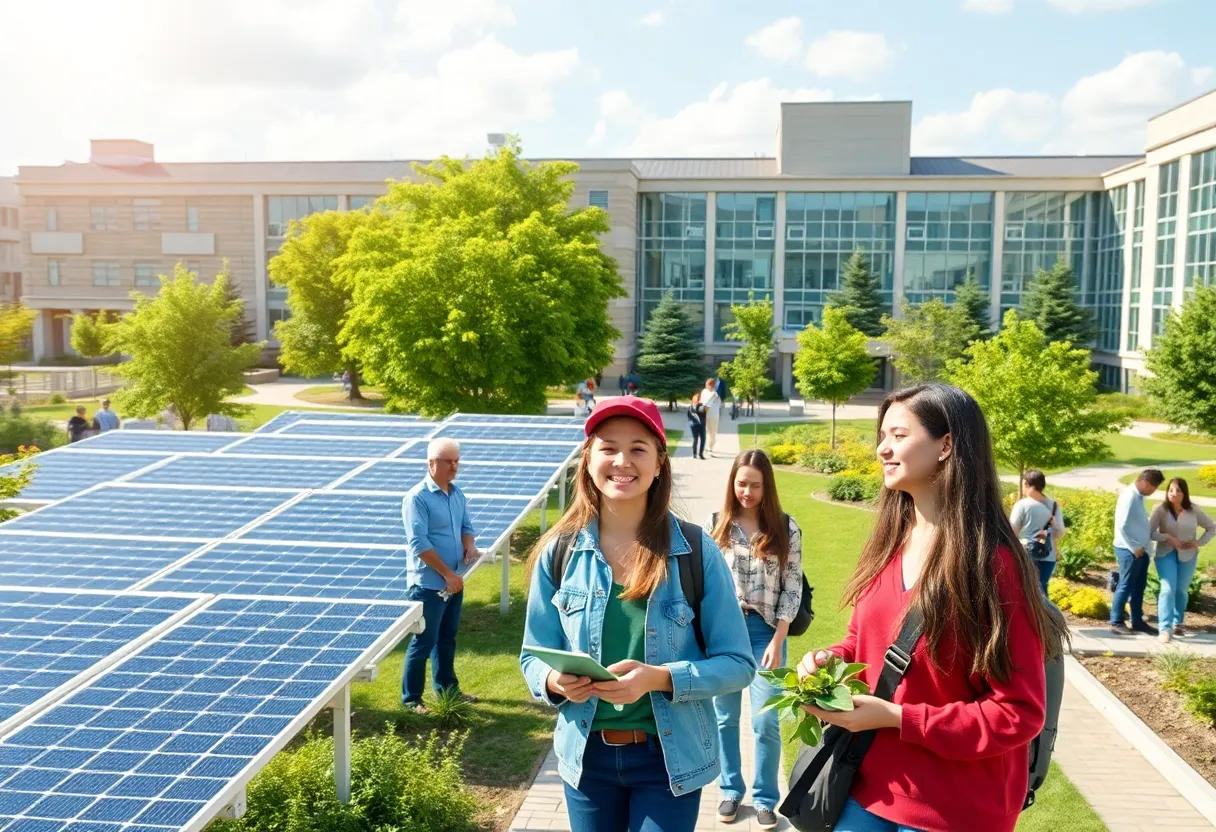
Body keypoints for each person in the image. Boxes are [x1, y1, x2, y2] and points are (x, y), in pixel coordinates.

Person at [794, 383, 1067, 832]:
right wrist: (830, 662)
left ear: (946, 445)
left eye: (898, 436)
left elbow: (1018, 711)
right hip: (869, 787)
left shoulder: (994, 565)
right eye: (882, 436)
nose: (882, 448)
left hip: (957, 808)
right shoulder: (890, 545)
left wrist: (899, 718)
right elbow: (863, 645)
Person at [520, 396, 755, 832]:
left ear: (660, 462)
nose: (622, 460)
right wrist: (554, 681)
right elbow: (533, 656)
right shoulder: (560, 551)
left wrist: (659, 678)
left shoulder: (695, 551)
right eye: (608, 447)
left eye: (638, 448)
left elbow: (738, 664)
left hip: (668, 762)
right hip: (585, 759)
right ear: (588, 458)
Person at [708, 449, 802, 830]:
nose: (747, 491)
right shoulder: (716, 526)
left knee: (766, 721)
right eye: (742, 483)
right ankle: (730, 791)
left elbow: (792, 587)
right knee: (724, 718)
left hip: (767, 633)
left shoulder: (785, 527)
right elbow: (707, 588)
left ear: (768, 487)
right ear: (733, 482)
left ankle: (765, 799)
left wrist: (779, 638)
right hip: (724, 636)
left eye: (755, 485)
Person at [401, 437, 480, 712]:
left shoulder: (456, 494)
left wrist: (469, 546)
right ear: (432, 463)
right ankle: (411, 700)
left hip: (454, 580)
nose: (455, 466)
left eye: (457, 461)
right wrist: (447, 573)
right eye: (449, 462)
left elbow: (466, 526)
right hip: (429, 584)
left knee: (447, 638)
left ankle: (448, 690)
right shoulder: (417, 498)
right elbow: (419, 544)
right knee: (424, 641)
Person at [1150, 477, 1215, 643]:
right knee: (1167, 589)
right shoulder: (1160, 509)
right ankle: (1164, 629)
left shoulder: (1194, 510)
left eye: (1178, 491)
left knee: (1180, 591)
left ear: (1184, 493)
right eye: (1171, 490)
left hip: (1188, 554)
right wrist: (1166, 537)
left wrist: (1199, 542)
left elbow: (1211, 527)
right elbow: (1149, 532)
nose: (1173, 493)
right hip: (1166, 553)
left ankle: (1178, 623)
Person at [1111, 468, 1165, 636]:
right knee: (1125, 585)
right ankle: (1116, 621)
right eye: (1153, 487)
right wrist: (1134, 546)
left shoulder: (1137, 497)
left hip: (1140, 550)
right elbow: (1122, 525)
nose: (1153, 491)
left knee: (1139, 586)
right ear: (1145, 482)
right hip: (1129, 550)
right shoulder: (1129, 496)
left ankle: (1137, 621)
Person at [1009, 469, 1065, 594]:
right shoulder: (1054, 505)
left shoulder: (1022, 505)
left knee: (1024, 591)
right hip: (1047, 555)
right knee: (1042, 590)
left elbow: (1012, 531)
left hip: (1025, 554)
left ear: (1028, 484)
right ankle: (1045, 614)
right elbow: (1059, 533)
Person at [701, 378, 722, 456]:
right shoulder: (704, 391)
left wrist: (715, 394)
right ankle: (705, 446)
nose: (706, 386)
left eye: (708, 385)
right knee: (704, 431)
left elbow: (719, 403)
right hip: (704, 414)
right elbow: (703, 402)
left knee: (712, 432)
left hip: (713, 415)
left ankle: (710, 447)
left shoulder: (715, 394)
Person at [686, 392, 707, 460]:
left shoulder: (690, 407)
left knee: (695, 439)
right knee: (702, 439)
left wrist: (691, 421)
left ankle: (695, 454)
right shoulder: (701, 406)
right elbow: (703, 414)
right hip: (700, 425)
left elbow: (688, 416)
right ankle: (700, 454)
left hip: (693, 424)